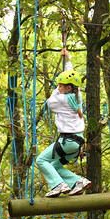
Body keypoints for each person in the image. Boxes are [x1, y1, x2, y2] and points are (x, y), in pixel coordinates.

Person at [36, 48, 91, 197]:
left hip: (66, 141)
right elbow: (71, 77)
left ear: (67, 88)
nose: (58, 88)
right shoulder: (77, 95)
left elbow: (49, 103)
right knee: (54, 166)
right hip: (77, 142)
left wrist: (57, 90)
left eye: (60, 86)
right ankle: (78, 182)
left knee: (41, 160)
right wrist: (67, 60)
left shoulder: (61, 99)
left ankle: (58, 185)